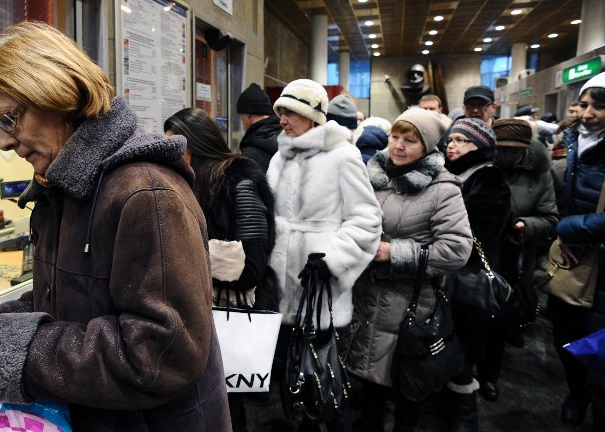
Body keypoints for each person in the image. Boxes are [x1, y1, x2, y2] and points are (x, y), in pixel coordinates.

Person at [0, 21, 231, 431]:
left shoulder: (146, 192)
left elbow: (162, 353)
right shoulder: (64, 190)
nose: (4, 142)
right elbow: (79, 298)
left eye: (8, 119)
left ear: (56, 93)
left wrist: (20, 351)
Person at [266, 78, 382, 432]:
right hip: (280, 282)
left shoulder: (343, 156)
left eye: (291, 112)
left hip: (319, 288)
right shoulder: (279, 155)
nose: (283, 119)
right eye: (281, 112)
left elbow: (367, 220)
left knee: (319, 369)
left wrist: (333, 259)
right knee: (286, 366)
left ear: (313, 115)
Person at [347, 107, 473, 432]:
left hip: (409, 302)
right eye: (395, 137)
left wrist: (394, 252)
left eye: (410, 141)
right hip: (367, 294)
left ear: (427, 147)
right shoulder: (371, 176)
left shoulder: (442, 189)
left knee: (407, 382)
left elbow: (457, 250)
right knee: (370, 377)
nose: (398, 146)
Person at [164, 107, 277, 432]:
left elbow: (252, 266)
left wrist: (182, 256)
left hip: (231, 311)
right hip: (198, 311)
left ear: (195, 145)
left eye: (176, 145)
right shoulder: (187, 182)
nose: (172, 153)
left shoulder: (239, 182)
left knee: (227, 403)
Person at [478, 119, 558, 403]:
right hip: (475, 253)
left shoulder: (539, 174)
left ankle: (489, 375)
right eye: (502, 149)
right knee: (468, 314)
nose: (508, 156)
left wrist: (525, 226)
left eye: (516, 151)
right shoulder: (479, 167)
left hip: (510, 256)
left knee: (499, 318)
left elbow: (550, 217)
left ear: (527, 149)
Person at [443, 118, 511, 432]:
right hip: (443, 273)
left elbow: (476, 230)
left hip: (468, 277)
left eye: (460, 140)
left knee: (464, 347)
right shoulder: (449, 172)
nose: (452, 145)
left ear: (479, 145)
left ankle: (464, 411)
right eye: (450, 139)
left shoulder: (489, 177)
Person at [548, 72, 605, 429]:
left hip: (599, 260)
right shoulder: (570, 141)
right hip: (572, 255)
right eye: (584, 104)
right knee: (566, 333)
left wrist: (569, 230)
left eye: (600, 106)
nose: (589, 113)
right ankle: (577, 391)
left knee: (596, 341)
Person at [236, 83, 282, 172]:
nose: (242, 125)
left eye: (241, 118)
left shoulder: (248, 156)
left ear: (248, 116)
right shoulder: (286, 138)